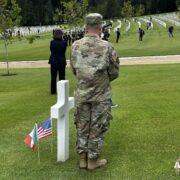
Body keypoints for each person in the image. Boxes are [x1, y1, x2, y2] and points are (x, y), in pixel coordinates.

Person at [70, 13, 120, 170]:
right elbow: (114, 71)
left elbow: (74, 69)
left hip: (81, 93)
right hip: (100, 95)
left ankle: (82, 159)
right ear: (100, 27)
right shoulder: (107, 46)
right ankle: (92, 161)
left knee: (82, 125)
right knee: (97, 126)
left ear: (86, 27)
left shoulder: (75, 46)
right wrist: (100, 81)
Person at [48, 29, 67, 94]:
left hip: (54, 60)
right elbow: (64, 51)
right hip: (61, 60)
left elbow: (51, 50)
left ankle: (53, 91)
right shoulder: (64, 42)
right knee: (62, 76)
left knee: (53, 77)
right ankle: (62, 91)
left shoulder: (52, 42)